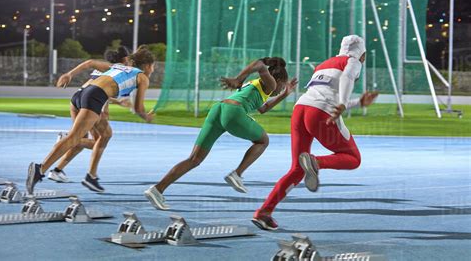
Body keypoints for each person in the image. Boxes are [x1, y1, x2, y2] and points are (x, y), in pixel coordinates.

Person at [252, 35, 379, 230]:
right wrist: (345, 102)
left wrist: (356, 103)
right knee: (352, 158)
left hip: (300, 110)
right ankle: (316, 162)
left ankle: (264, 212)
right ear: (362, 54)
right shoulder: (353, 61)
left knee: (297, 168)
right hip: (319, 114)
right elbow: (344, 80)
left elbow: (325, 92)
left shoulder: (324, 64)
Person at [144, 57, 297, 210]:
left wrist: (284, 95)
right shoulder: (270, 84)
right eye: (283, 85)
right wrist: (238, 78)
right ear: (278, 79)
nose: (282, 88)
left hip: (218, 110)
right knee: (263, 141)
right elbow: (259, 65)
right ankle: (237, 174)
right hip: (233, 113)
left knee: (194, 159)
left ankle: (157, 190)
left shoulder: (257, 85)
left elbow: (263, 109)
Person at [26, 48, 155, 194]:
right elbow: (138, 109)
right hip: (94, 97)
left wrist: (69, 74)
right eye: (153, 66)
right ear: (148, 66)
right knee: (75, 138)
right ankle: (40, 169)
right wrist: (147, 117)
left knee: (106, 134)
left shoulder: (119, 67)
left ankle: (91, 176)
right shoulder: (143, 77)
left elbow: (90, 62)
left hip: (82, 94)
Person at [47, 46, 132, 193]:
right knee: (97, 142)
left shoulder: (105, 70)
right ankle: (65, 141)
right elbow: (99, 88)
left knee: (81, 141)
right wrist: (120, 102)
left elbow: (94, 88)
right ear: (125, 59)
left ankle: (57, 171)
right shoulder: (117, 70)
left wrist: (118, 102)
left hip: (78, 99)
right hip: (91, 104)